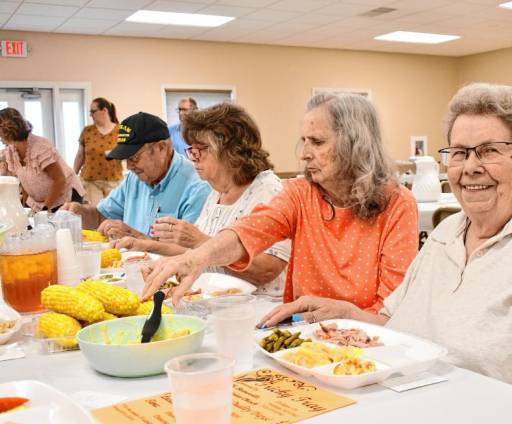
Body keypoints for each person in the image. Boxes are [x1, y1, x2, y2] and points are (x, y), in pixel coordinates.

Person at [255, 83, 512, 424]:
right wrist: (344, 313)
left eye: (489, 151)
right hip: (418, 404)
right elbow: (396, 321)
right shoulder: (448, 232)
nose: (470, 167)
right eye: (459, 153)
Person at [142, 92, 419, 311]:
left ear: (355, 144)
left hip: (368, 342)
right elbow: (248, 232)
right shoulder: (300, 194)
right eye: (304, 141)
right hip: (302, 334)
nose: (305, 154)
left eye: (318, 142)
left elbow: (391, 307)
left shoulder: (397, 203)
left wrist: (345, 318)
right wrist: (197, 258)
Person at [115, 103, 290, 297]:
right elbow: (194, 252)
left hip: (258, 311)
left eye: (201, 149)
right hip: (219, 303)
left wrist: (199, 241)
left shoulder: (268, 191)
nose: (193, 157)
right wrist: (148, 249)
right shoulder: (217, 193)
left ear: (233, 151)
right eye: (192, 149)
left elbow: (267, 270)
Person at [63, 112, 210, 240]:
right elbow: (102, 216)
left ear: (161, 147)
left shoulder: (197, 186)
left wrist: (134, 237)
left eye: (134, 158)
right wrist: (79, 213)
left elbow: (190, 252)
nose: (129, 167)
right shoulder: (134, 179)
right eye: (126, 159)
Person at [0, 107, 85, 212]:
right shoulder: (11, 151)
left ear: (7, 129)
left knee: (60, 227)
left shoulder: (40, 147)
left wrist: (45, 209)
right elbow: (24, 182)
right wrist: (24, 208)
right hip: (39, 202)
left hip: (64, 197)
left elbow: (59, 180)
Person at [73, 97, 123, 205]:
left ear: (104, 110)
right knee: (95, 213)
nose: (91, 115)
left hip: (113, 181)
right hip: (90, 181)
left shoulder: (121, 131)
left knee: (112, 213)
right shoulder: (87, 131)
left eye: (93, 111)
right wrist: (73, 176)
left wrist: (116, 152)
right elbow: (80, 156)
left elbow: (129, 154)